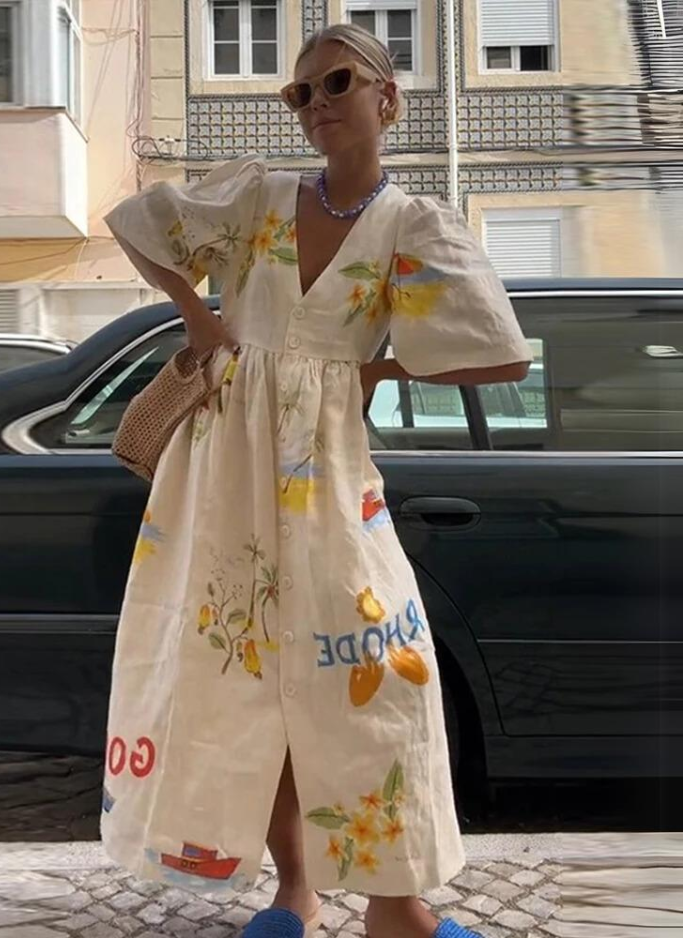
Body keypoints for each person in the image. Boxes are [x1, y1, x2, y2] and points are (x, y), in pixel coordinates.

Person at [100, 22, 534, 938]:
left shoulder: (411, 224)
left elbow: (501, 353)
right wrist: (197, 315)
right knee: (248, 674)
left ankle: (394, 904)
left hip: (329, 467)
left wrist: (377, 369)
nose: (316, 104)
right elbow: (139, 224)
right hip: (224, 462)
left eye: (337, 82)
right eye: (301, 92)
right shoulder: (259, 196)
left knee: (378, 666)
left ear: (388, 96)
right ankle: (292, 893)